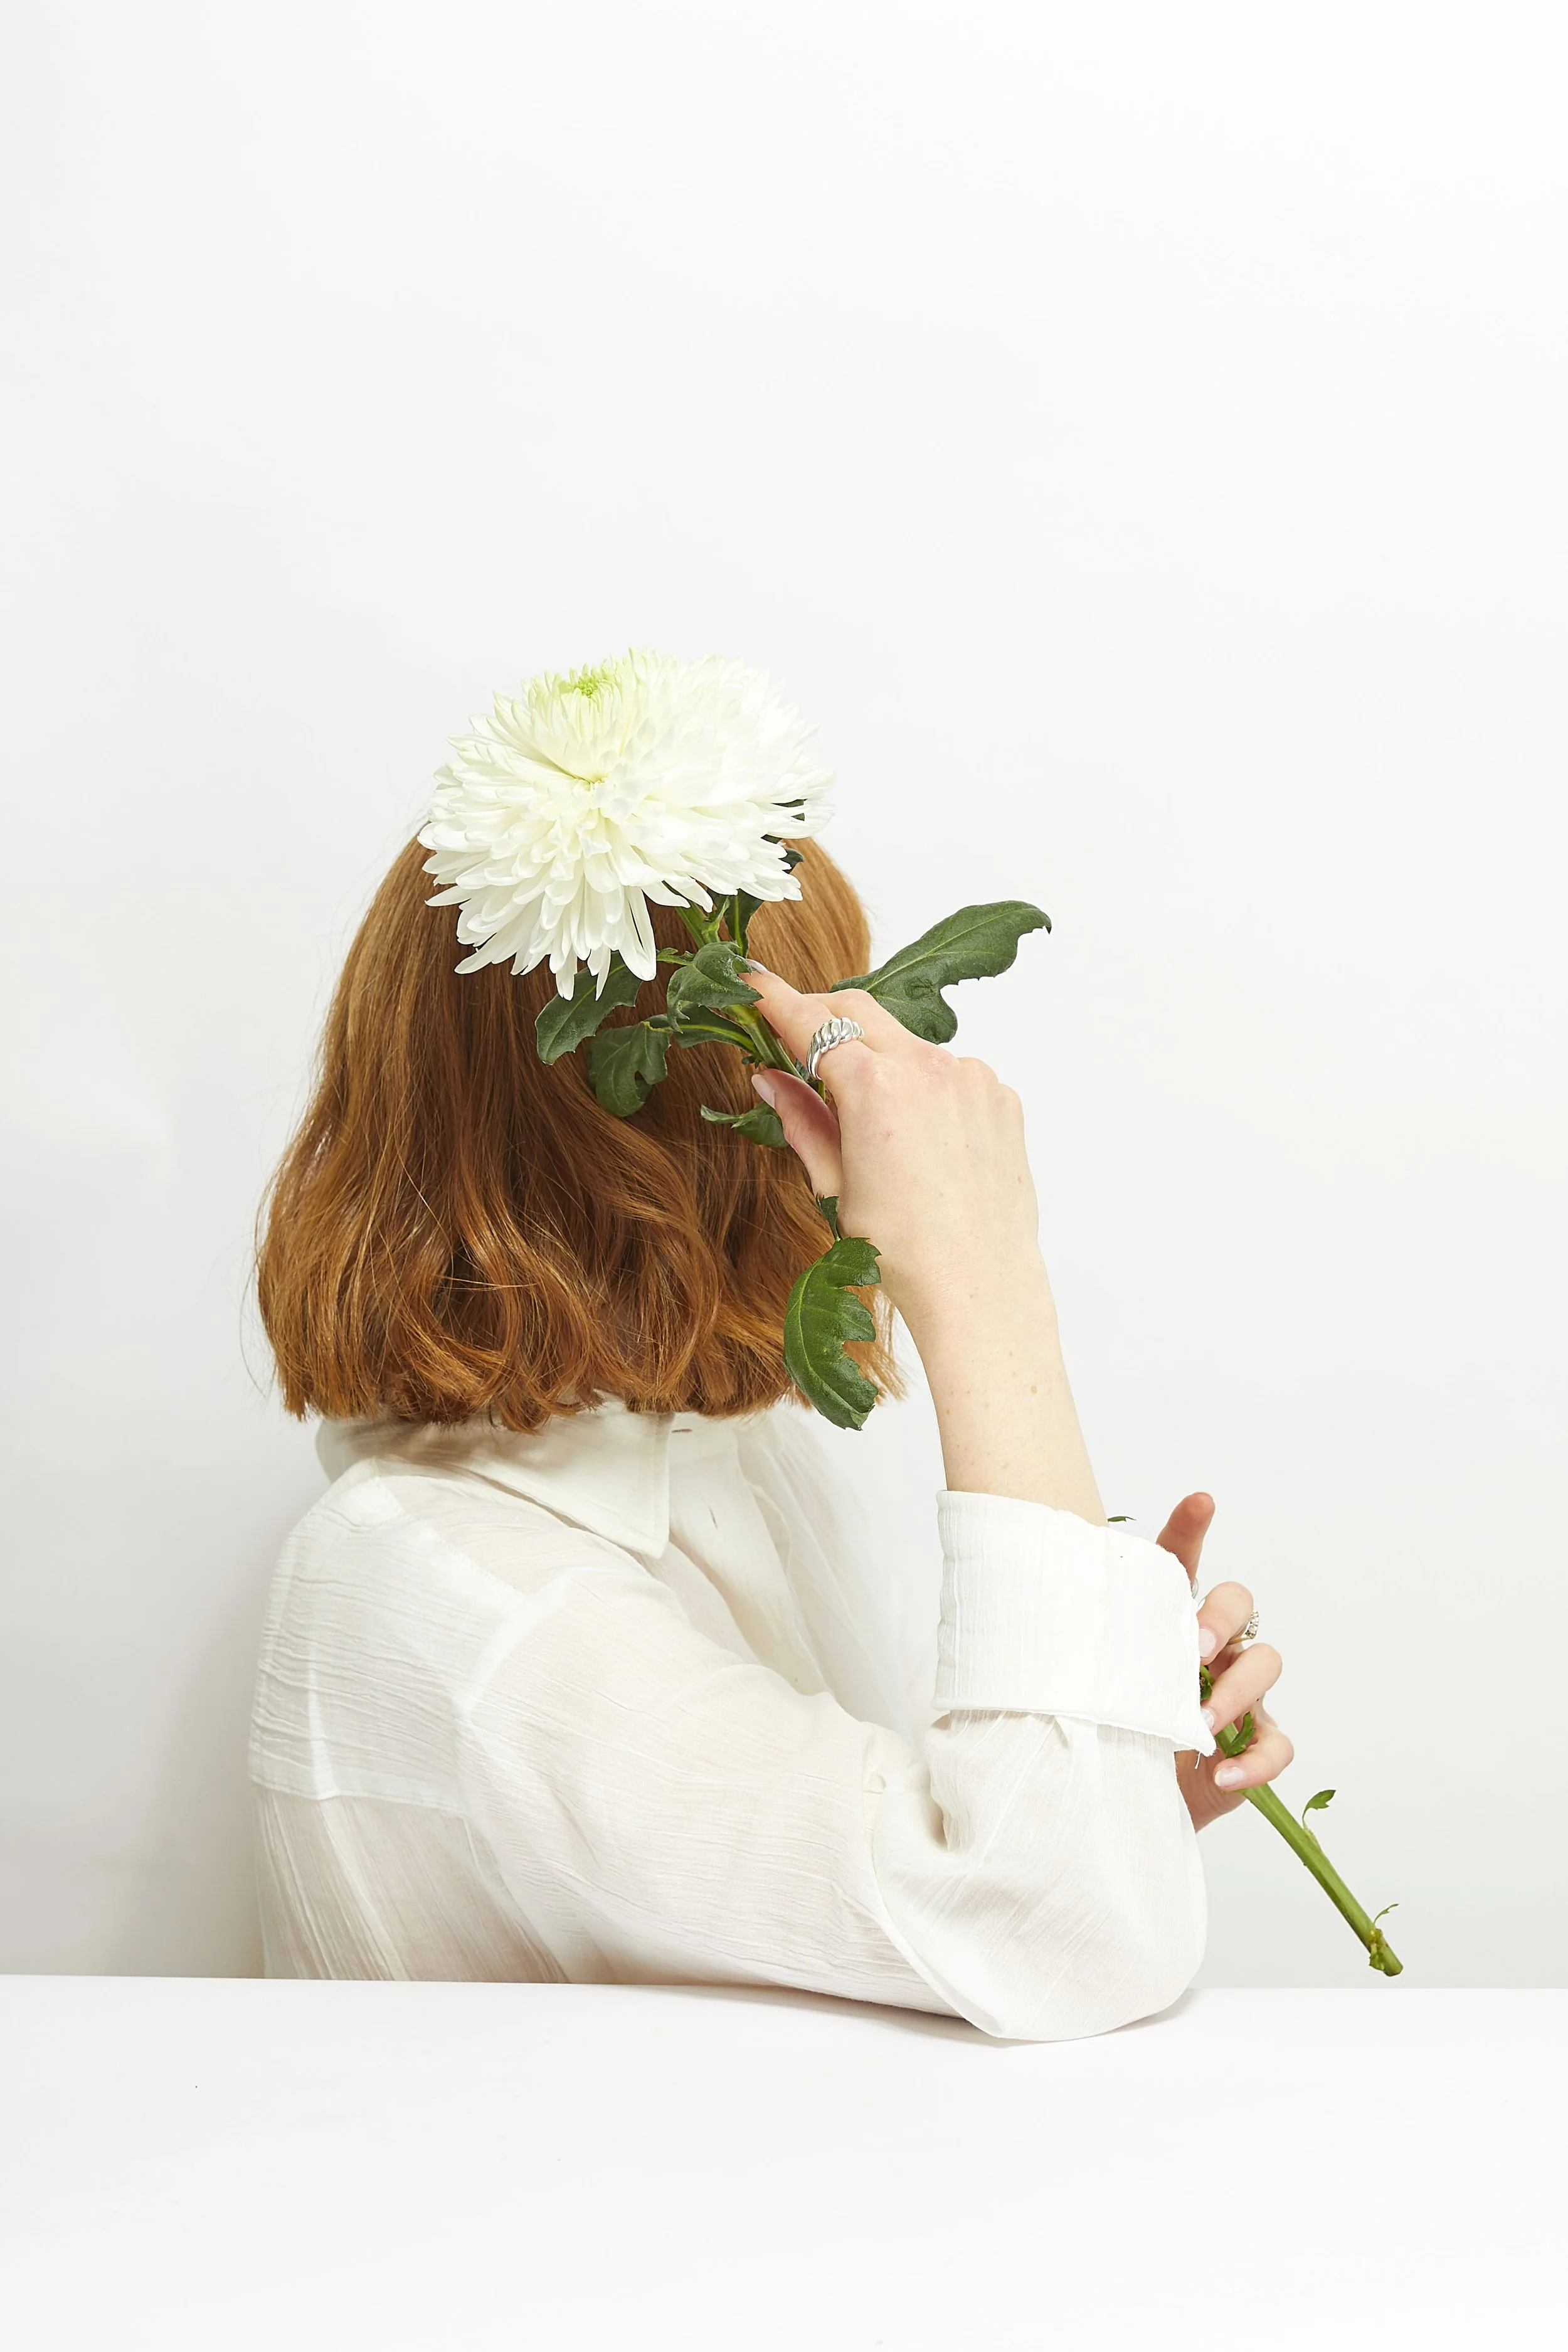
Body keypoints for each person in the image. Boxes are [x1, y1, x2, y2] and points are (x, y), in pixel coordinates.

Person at [250, 835, 1291, 2038]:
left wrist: (1110, 1783)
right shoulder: (467, 1608)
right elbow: (1052, 1941)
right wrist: (986, 1277)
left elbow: (939, 1909)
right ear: (752, 1117)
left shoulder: (724, 1474)